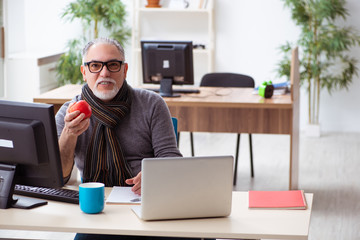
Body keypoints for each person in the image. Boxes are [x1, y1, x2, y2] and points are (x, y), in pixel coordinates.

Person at [55, 38, 191, 240]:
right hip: (96, 209)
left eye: (113, 65)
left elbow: (171, 159)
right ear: (84, 72)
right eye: (95, 66)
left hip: (147, 202)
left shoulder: (152, 104)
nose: (104, 73)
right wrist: (69, 133)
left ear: (124, 69)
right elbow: (60, 176)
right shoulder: (69, 113)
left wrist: (155, 175)